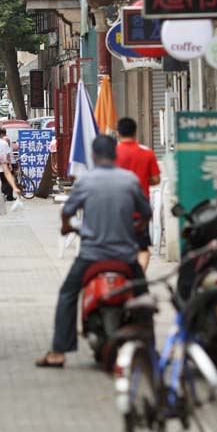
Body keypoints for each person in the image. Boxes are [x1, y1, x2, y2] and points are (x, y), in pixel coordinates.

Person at [36, 135, 152, 368]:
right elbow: (146, 212)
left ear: (93, 156)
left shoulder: (85, 181)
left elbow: (67, 212)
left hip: (91, 256)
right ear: (115, 155)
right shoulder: (129, 180)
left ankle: (59, 351)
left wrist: (66, 227)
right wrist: (136, 229)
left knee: (68, 295)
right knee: (144, 299)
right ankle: (149, 351)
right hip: (126, 257)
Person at [115, 117, 161, 272]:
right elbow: (155, 179)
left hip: (116, 210)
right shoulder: (147, 153)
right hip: (140, 211)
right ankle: (138, 276)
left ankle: (121, 276)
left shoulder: (112, 154)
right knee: (142, 250)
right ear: (135, 132)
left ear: (118, 133)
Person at [0, 128, 16, 201]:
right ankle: (8, 195)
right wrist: (9, 164)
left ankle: (3, 193)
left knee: (2, 180)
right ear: (1, 134)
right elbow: (7, 154)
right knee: (8, 180)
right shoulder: (4, 143)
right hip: (5, 164)